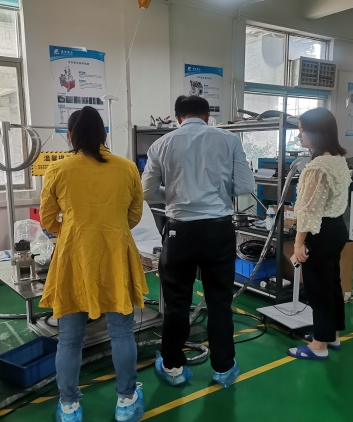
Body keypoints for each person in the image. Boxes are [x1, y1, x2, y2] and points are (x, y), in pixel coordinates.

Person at [40, 106, 148, 422]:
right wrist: (112, 229)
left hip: (73, 257)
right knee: (122, 332)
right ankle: (126, 401)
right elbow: (134, 214)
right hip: (116, 254)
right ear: (103, 134)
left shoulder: (58, 170)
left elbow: (47, 219)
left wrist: (73, 231)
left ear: (70, 135)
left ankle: (69, 406)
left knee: (70, 337)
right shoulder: (127, 168)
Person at [142, 95, 255, 388]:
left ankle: (173, 368)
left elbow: (148, 192)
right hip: (218, 230)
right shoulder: (228, 140)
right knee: (219, 301)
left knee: (177, 302)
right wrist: (215, 191)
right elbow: (245, 186)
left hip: (180, 232)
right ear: (207, 116)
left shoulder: (161, 144)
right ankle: (224, 368)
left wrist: (176, 193)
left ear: (178, 118)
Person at [287, 107, 352, 360]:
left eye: (302, 130)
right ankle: (331, 334)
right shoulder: (338, 160)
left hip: (320, 232)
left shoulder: (317, 167)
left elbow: (309, 210)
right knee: (331, 284)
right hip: (336, 229)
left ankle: (319, 346)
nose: (299, 135)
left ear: (317, 133)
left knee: (318, 289)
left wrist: (298, 244)